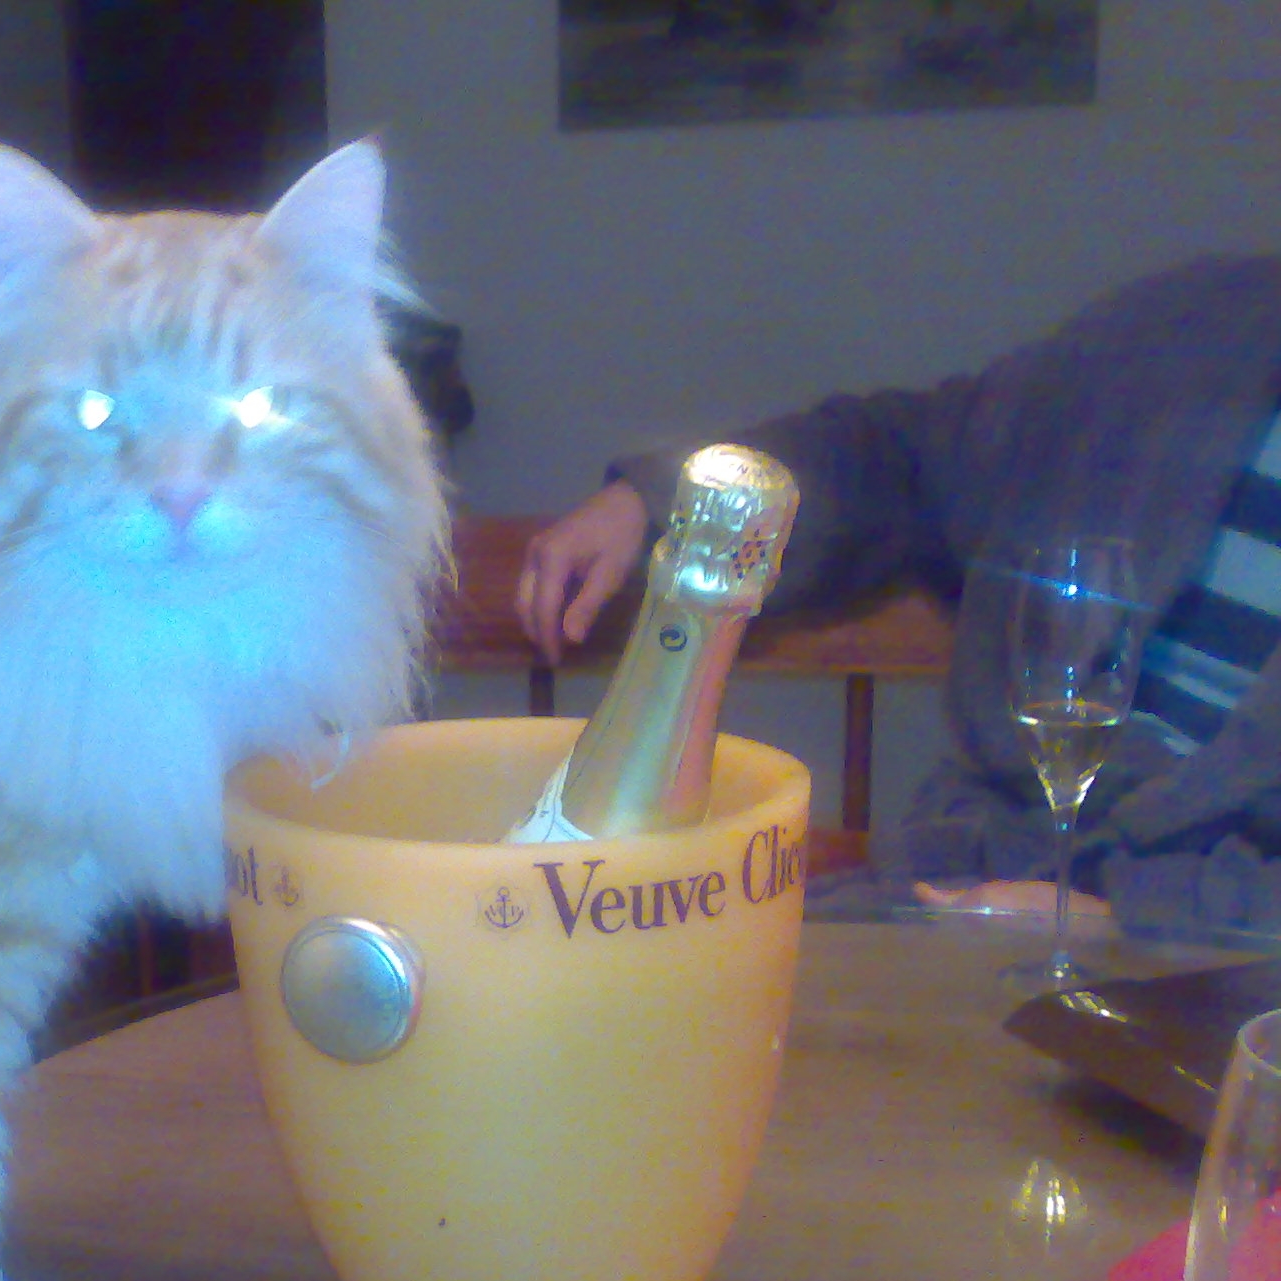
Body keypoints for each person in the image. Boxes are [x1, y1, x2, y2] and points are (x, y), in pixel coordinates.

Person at [516, 256, 1281, 935]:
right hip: (964, 890)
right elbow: (901, 456)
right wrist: (660, 505)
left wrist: (1128, 924)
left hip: (1225, 972)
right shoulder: (1192, 332)